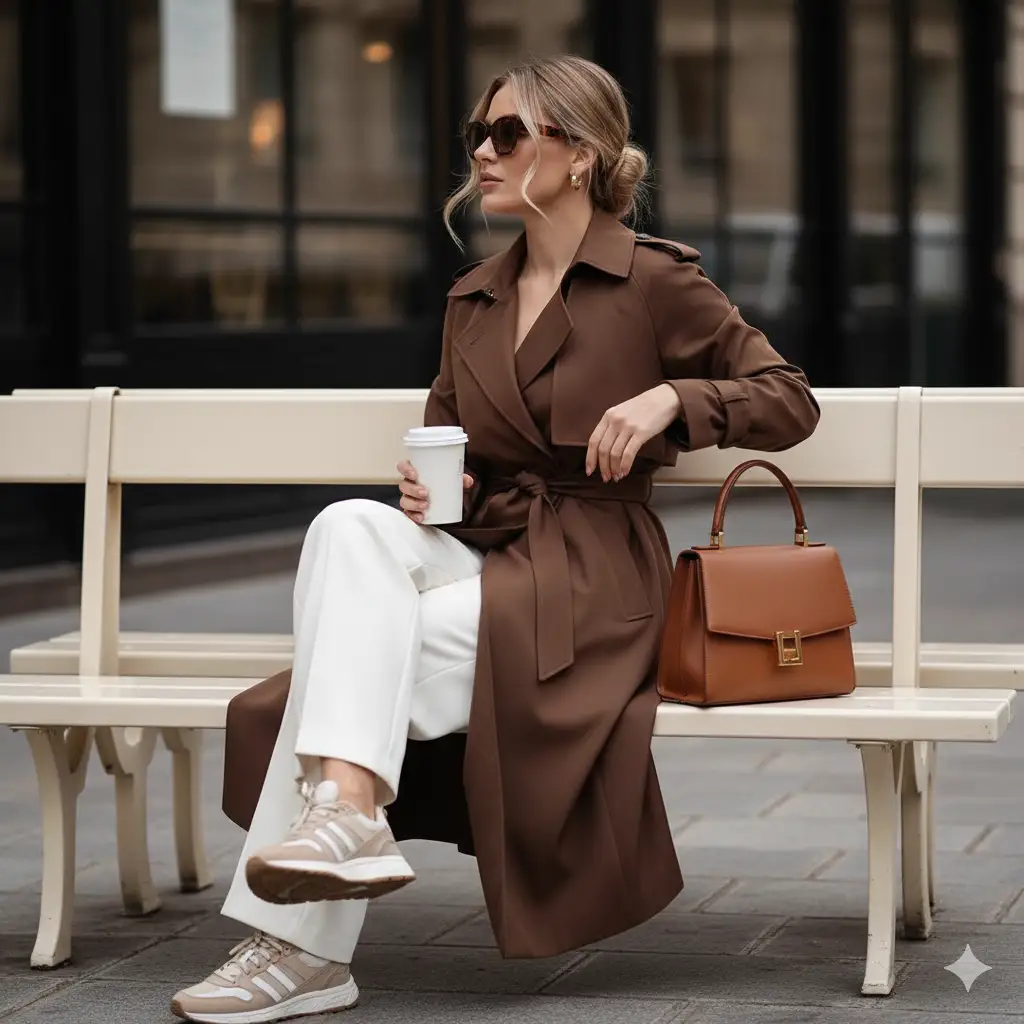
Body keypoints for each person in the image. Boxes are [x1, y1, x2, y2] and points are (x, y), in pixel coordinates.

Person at [171, 54, 820, 1023]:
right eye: (479, 132)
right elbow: (450, 451)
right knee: (347, 526)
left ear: (579, 153)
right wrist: (440, 487)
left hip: (592, 575)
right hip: (489, 546)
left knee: (345, 670)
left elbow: (787, 399)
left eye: (508, 133)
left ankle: (300, 944)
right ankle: (346, 816)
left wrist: (670, 401)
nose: (482, 148)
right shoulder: (472, 296)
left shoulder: (653, 282)